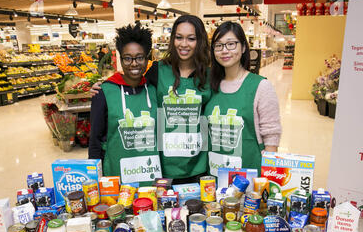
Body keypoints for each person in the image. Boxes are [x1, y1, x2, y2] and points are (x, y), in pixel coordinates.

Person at [91, 15, 211, 184]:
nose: (184, 44)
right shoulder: (157, 70)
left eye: (191, 38)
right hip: (163, 166)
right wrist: (106, 87)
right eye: (179, 37)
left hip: (198, 163)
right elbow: (134, 85)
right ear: (172, 40)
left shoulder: (209, 76)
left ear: (200, 41)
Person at [88, 23, 162, 186]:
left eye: (139, 57)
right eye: (127, 58)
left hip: (151, 179)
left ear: (147, 58)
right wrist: (96, 181)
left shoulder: (153, 90)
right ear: (120, 59)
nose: (134, 63)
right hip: (117, 181)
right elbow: (95, 143)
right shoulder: (103, 92)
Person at [204, 21, 281, 177]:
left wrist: (268, 179)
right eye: (218, 46)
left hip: (250, 176)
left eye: (231, 44)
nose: (224, 51)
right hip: (214, 174)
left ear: (244, 47)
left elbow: (271, 136)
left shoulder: (260, 86)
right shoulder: (210, 86)